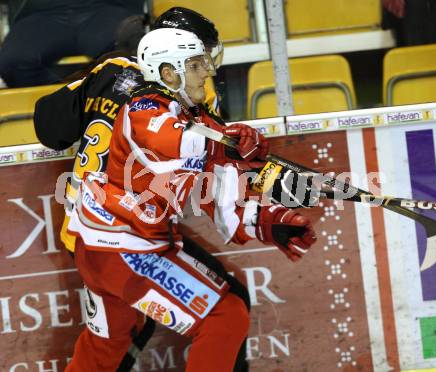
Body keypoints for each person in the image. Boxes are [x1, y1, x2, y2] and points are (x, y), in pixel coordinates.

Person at [64, 27, 317, 371]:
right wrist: (226, 144)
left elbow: (210, 188)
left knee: (108, 343)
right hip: (122, 247)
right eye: (197, 65)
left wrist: (268, 219)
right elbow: (177, 143)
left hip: (103, 245)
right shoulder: (144, 107)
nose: (208, 72)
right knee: (225, 316)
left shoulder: (190, 116)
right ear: (168, 73)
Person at [34, 7, 250, 371]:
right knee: (225, 311)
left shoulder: (110, 70)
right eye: (198, 56)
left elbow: (50, 127)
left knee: (114, 336)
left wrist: (93, 85)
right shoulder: (185, 100)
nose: (205, 68)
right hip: (129, 236)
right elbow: (206, 173)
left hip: (83, 232)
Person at [0, 0, 144, 87]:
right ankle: (65, 99)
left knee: (134, 51)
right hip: (39, 14)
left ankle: (108, 100)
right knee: (12, 61)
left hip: (105, 8)